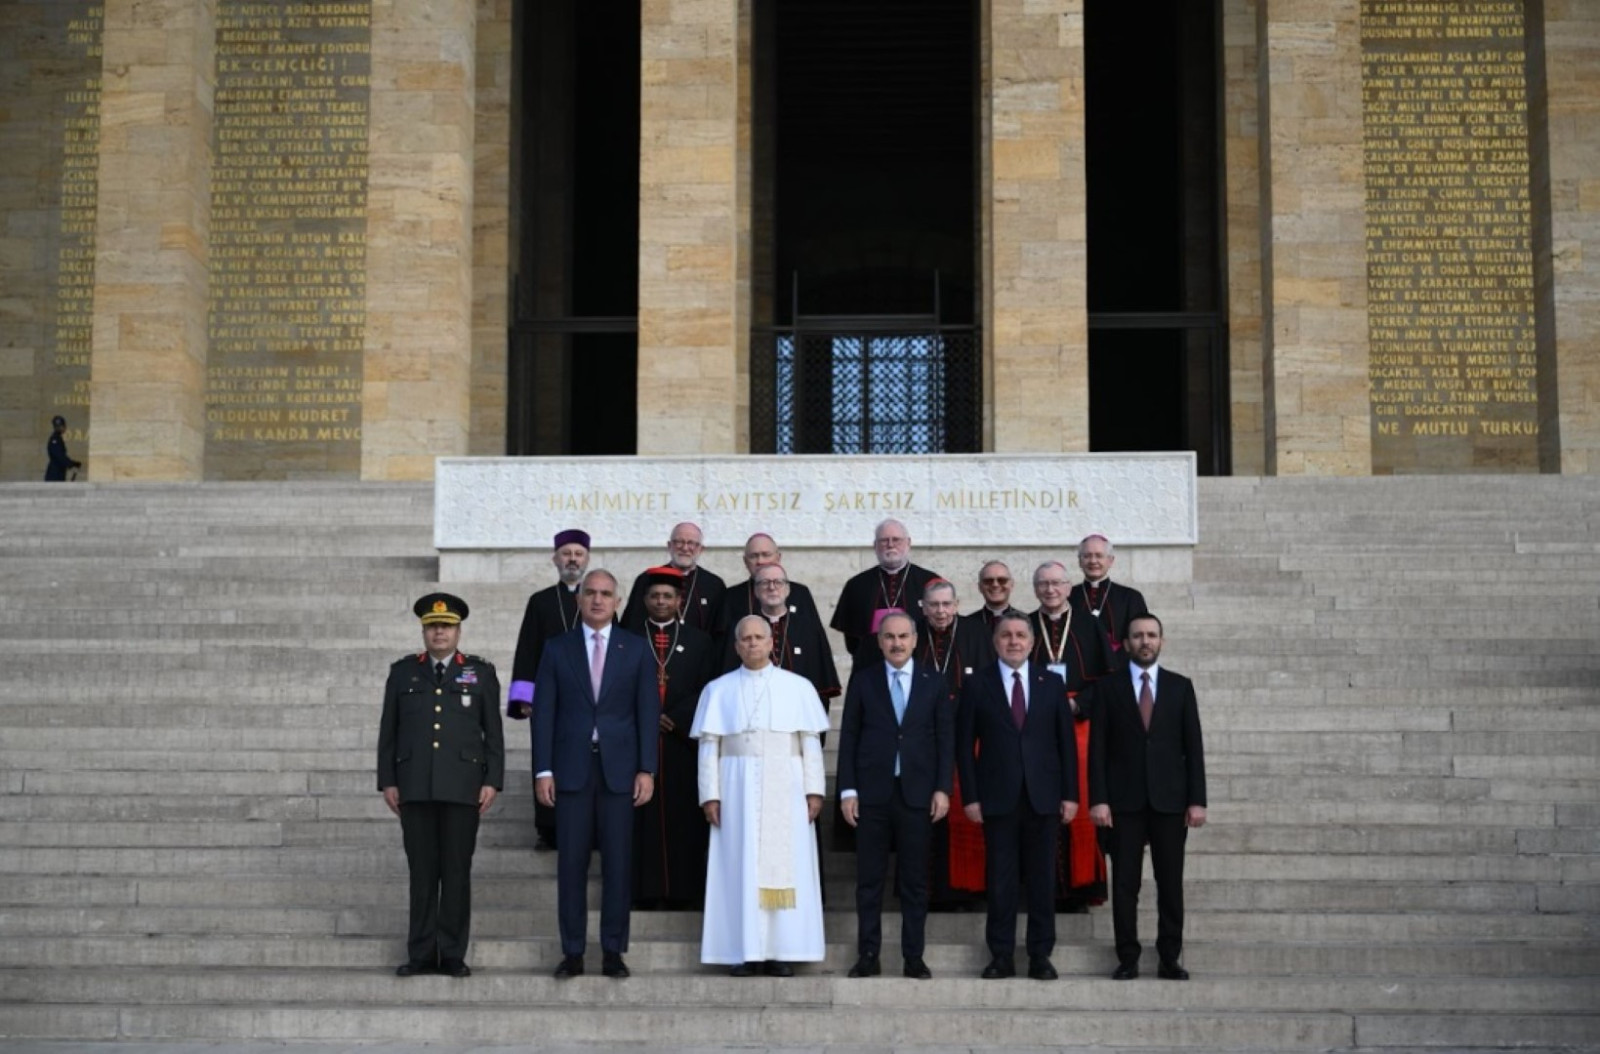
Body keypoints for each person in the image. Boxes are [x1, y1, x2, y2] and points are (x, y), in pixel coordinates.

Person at [533, 569, 658, 980]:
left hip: (619, 772)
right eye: (591, 593)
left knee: (619, 864)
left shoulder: (636, 649)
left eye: (606, 594)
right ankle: (572, 951)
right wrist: (543, 769)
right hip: (571, 770)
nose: (598, 600)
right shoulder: (556, 648)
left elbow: (646, 713)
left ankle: (612, 949)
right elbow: (544, 714)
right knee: (571, 864)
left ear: (618, 602)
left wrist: (647, 769)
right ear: (579, 599)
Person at [691, 616, 830, 976]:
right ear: (736, 646)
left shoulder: (798, 687)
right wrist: (710, 795)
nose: (753, 644)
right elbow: (709, 748)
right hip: (735, 788)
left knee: (788, 867)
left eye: (759, 638)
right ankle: (743, 950)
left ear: (772, 643)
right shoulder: (717, 689)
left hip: (788, 784)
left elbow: (810, 744)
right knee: (739, 867)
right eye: (745, 639)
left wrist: (814, 791)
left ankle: (780, 951)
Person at [377, 593, 504, 979]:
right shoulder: (403, 673)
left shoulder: (480, 673)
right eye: (433, 626)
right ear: (424, 630)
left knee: (455, 872)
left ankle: (451, 953)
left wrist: (492, 781)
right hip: (414, 786)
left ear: (458, 630)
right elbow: (389, 731)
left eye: (446, 626)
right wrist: (388, 781)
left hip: (463, 788)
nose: (439, 632)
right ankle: (419, 953)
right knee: (421, 873)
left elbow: (493, 735)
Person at [957, 614, 1077, 981]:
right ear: (995, 642)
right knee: (1001, 881)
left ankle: (1041, 955)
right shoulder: (977, 684)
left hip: (1043, 798)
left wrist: (1070, 795)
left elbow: (1066, 745)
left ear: (1031, 642)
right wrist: (971, 797)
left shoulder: (1051, 684)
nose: (1013, 641)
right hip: (997, 799)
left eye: (1020, 635)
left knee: (1042, 881)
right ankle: (1002, 956)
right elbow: (964, 746)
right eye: (1006, 635)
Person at [1089, 613, 1207, 981]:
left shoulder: (1180, 687)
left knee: (1170, 883)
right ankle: (1128, 957)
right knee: (1125, 885)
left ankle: (1169, 957)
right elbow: (1097, 750)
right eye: (1137, 636)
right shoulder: (1108, 689)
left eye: (1152, 635)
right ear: (1125, 644)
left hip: (1170, 802)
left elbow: (1194, 747)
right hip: (1123, 803)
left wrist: (1197, 799)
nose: (1145, 641)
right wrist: (1099, 799)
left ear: (1161, 642)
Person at [838, 613, 952, 980]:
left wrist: (942, 788)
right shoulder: (865, 680)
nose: (897, 643)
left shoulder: (933, 681)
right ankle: (868, 954)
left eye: (903, 636)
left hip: (917, 795)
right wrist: (848, 790)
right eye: (889, 637)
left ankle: (913, 957)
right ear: (879, 641)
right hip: (873, 794)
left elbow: (944, 740)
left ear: (916, 640)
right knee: (869, 881)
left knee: (915, 882)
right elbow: (850, 736)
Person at [1029, 559, 1114, 910]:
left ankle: (1078, 887)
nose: (1050, 590)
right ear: (1035, 589)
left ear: (1068, 587)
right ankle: (1041, 885)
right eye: (1043, 584)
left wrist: (1079, 704)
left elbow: (1108, 677)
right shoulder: (1023, 624)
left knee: (1076, 797)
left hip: (1079, 721)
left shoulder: (1090, 626)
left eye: (1057, 583)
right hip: (1035, 725)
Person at [631, 566, 717, 910]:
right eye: (655, 596)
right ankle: (645, 891)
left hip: (683, 743)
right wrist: (649, 717)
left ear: (680, 601)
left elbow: (709, 687)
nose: (661, 602)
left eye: (668, 596)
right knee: (644, 822)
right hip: (641, 743)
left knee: (685, 822)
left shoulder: (700, 640)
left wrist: (677, 718)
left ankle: (685, 892)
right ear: (645, 601)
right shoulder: (629, 639)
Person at [510, 528, 594, 849]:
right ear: (555, 558)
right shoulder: (540, 601)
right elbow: (527, 649)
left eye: (578, 554)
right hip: (549, 698)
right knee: (547, 760)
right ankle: (549, 829)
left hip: (591, 698)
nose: (572, 559)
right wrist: (524, 697)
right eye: (567, 553)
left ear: (587, 559)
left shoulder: (597, 599)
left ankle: (589, 828)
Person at [916, 579, 990, 908]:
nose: (941, 611)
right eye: (934, 605)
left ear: (957, 605)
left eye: (947, 604)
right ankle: (932, 891)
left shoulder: (976, 633)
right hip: (923, 736)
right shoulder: (912, 633)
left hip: (967, 733)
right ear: (923, 607)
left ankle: (969, 889)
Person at [721, 563, 841, 707]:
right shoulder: (742, 627)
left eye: (778, 582)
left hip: (798, 710)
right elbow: (729, 680)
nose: (772, 587)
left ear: (787, 589)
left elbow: (821, 683)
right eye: (764, 583)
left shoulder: (809, 628)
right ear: (756, 591)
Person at [830, 519, 942, 657]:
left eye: (896, 540)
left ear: (908, 543)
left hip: (918, 663)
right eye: (884, 540)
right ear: (875, 545)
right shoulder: (856, 585)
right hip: (869, 666)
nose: (890, 545)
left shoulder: (930, 582)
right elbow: (851, 640)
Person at [715, 532, 826, 639]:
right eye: (753, 556)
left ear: (778, 558)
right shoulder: (731, 596)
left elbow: (815, 637)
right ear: (745, 561)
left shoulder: (800, 593)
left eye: (766, 555)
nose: (760, 561)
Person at [621, 522, 726, 633]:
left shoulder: (714, 585)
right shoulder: (647, 579)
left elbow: (720, 630)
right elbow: (632, 624)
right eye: (679, 542)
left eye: (691, 543)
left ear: (701, 549)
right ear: (669, 546)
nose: (685, 548)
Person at [1069, 534, 1149, 666]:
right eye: (1087, 556)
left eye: (1099, 556)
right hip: (1080, 671)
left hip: (1120, 671)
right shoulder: (1068, 596)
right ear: (1079, 561)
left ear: (1110, 560)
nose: (1093, 561)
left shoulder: (1130, 597)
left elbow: (1139, 637)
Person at [968, 560, 1023, 632]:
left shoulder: (1026, 622)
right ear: (980, 587)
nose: (995, 585)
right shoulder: (967, 624)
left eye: (1002, 580)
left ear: (1011, 585)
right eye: (988, 581)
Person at [44, 415, 81, 482]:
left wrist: (72, 463)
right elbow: (59, 456)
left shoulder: (58, 438)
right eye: (61, 426)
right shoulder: (54, 440)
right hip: (54, 474)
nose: (63, 428)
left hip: (59, 472)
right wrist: (71, 464)